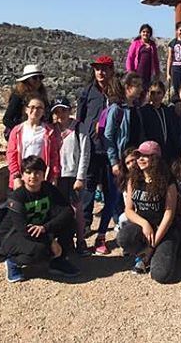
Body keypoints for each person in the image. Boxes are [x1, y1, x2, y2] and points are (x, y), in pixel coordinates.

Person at [0, 156, 79, 282]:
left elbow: (68, 211)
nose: (33, 176)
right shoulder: (17, 197)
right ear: (22, 175)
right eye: (28, 172)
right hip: (14, 235)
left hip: (40, 229)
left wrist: (46, 228)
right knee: (41, 249)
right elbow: (23, 230)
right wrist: (51, 241)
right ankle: (13, 262)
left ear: (43, 174)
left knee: (70, 224)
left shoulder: (48, 189)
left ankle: (57, 262)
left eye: (37, 172)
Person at [116, 141, 179, 281]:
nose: (140, 159)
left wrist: (152, 246)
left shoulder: (167, 180)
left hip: (164, 229)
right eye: (138, 156)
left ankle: (155, 252)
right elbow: (128, 210)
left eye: (145, 156)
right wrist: (144, 224)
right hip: (144, 227)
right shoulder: (133, 178)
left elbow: (169, 215)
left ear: (155, 158)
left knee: (161, 275)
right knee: (123, 238)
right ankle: (143, 253)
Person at [97, 72, 143, 254]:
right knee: (113, 199)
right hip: (119, 162)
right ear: (127, 87)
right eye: (137, 85)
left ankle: (129, 237)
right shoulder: (117, 109)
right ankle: (101, 236)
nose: (140, 89)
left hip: (135, 160)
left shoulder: (136, 108)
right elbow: (108, 136)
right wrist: (114, 161)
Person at [77, 55, 117, 234]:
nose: (101, 72)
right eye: (97, 68)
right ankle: (86, 222)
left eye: (104, 68)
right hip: (91, 146)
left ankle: (116, 220)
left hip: (110, 147)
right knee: (89, 185)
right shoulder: (88, 92)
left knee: (111, 186)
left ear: (111, 71)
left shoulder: (116, 92)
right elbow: (80, 118)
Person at [51, 97, 90, 254]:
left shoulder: (79, 128)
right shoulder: (52, 129)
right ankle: (63, 241)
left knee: (76, 208)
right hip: (57, 175)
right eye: (57, 111)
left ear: (70, 110)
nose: (61, 114)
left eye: (64, 110)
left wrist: (81, 177)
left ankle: (80, 241)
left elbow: (85, 154)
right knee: (59, 209)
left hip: (73, 175)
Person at [6, 95, 61, 190]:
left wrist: (54, 176)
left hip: (41, 178)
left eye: (39, 108)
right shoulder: (17, 130)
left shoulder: (49, 131)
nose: (35, 111)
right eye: (32, 107)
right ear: (26, 109)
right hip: (22, 177)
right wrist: (16, 176)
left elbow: (54, 156)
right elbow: (11, 154)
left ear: (43, 112)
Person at [137, 80, 181, 164]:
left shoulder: (167, 111)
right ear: (149, 94)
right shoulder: (144, 111)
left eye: (159, 93)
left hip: (167, 152)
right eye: (153, 93)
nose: (156, 96)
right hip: (151, 152)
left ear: (163, 94)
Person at [3, 64, 49, 139]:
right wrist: (22, 129)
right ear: (27, 80)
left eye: (40, 78)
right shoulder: (18, 96)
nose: (38, 80)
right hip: (21, 135)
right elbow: (7, 119)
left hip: (39, 133)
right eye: (34, 78)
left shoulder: (42, 96)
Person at [125, 23, 161, 88]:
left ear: (150, 34)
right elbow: (130, 58)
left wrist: (157, 73)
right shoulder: (135, 43)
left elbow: (156, 60)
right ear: (140, 33)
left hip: (148, 73)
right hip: (137, 72)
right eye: (143, 32)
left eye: (147, 32)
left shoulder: (152, 45)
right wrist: (130, 71)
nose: (145, 33)